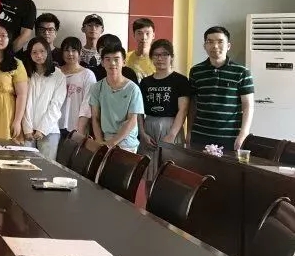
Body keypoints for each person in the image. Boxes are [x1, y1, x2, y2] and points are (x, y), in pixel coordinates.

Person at [188, 26, 255, 151]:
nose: (215, 46)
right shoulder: (196, 71)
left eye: (220, 41)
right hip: (200, 135)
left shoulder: (242, 72)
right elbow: (192, 104)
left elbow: (248, 106)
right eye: (210, 42)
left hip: (230, 137)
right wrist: (189, 131)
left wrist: (243, 134)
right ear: (204, 46)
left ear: (228, 46)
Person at [139, 39, 190, 169]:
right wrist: (142, 133)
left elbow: (183, 110)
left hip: (172, 127)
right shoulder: (145, 82)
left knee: (170, 169)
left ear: (171, 57)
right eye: (156, 55)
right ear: (151, 57)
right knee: (148, 169)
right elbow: (138, 111)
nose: (160, 58)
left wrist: (172, 135)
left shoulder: (181, 80)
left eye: (164, 54)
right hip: (149, 127)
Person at [90, 44, 145, 152]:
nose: (112, 63)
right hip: (105, 140)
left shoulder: (133, 89)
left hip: (127, 143)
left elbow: (132, 120)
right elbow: (95, 118)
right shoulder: (97, 87)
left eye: (116, 59)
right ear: (102, 62)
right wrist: (100, 142)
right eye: (108, 59)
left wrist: (112, 143)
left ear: (124, 62)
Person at [22, 37, 67, 160]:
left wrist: (42, 129)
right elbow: (24, 103)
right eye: (34, 52)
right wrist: (27, 128)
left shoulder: (58, 75)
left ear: (48, 51)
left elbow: (56, 105)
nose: (39, 55)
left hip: (49, 130)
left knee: (47, 167)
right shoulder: (26, 74)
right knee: (25, 166)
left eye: (42, 51)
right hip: (27, 131)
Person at [58, 36, 96, 141]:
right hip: (54, 126)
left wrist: (81, 128)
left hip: (77, 127)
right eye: (66, 50)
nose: (70, 54)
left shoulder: (87, 75)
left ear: (80, 52)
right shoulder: (56, 73)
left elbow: (87, 103)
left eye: (74, 50)